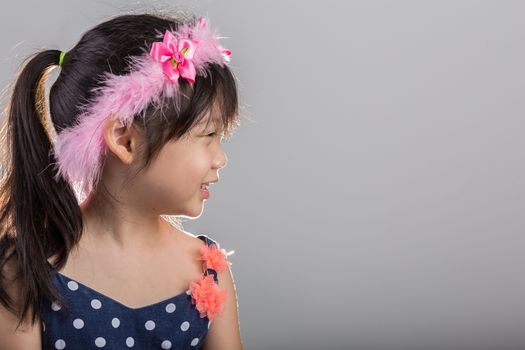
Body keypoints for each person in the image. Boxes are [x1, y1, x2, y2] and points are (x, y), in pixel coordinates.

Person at [0, 12, 243, 350]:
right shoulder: (28, 269)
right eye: (208, 135)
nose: (221, 158)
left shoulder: (205, 269)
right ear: (125, 140)